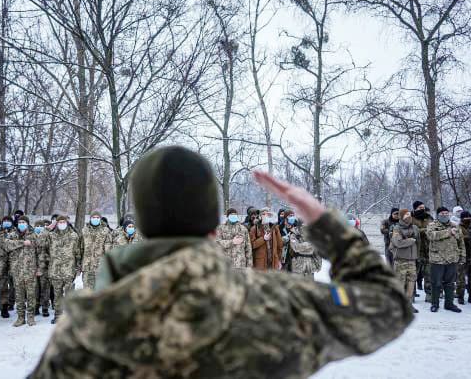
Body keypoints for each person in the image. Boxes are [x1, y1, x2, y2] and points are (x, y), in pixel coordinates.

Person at [29, 146, 413, 378]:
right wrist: (325, 225)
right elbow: (389, 305)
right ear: (213, 221)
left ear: (142, 222)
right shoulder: (279, 304)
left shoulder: (86, 331)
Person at [5, 216, 43, 327]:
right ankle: (20, 317)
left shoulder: (34, 236)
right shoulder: (12, 235)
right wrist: (22, 242)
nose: (21, 224)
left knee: (31, 295)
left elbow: (40, 253)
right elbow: (7, 246)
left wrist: (40, 268)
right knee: (19, 295)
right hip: (17, 270)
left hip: (30, 270)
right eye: (20, 222)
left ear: (27, 223)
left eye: (23, 222)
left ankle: (30, 317)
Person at [426, 207, 464, 313]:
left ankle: (449, 304)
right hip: (437, 259)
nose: (445, 215)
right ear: (438, 215)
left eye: (446, 213)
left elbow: (461, 242)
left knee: (450, 284)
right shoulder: (432, 225)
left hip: (452, 259)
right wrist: (448, 232)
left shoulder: (455, 226)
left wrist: (462, 255)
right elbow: (431, 235)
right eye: (442, 213)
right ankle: (434, 304)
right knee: (436, 283)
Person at [46, 215, 80, 324]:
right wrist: (48, 228)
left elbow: (78, 252)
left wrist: (78, 267)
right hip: (55, 270)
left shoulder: (74, 235)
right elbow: (40, 242)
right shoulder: (51, 235)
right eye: (59, 222)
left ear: (67, 222)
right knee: (57, 296)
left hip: (69, 270)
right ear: (56, 223)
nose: (61, 223)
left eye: (63, 221)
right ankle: (58, 316)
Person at [390, 209, 419, 313]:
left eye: (409, 214)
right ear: (401, 216)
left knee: (411, 284)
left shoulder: (415, 228)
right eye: (406, 214)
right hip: (400, 261)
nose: (409, 216)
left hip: (412, 260)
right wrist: (411, 240)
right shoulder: (396, 228)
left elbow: (418, 242)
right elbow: (398, 242)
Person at [80, 211, 113, 290]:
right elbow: (80, 248)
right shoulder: (84, 230)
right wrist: (79, 264)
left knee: (100, 291)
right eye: (93, 217)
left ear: (100, 219)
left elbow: (108, 249)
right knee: (87, 291)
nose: (95, 219)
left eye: (97, 218)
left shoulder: (105, 231)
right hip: (87, 267)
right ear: (90, 219)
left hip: (100, 267)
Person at [285, 210, 322, 277]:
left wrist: (319, 264)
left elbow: (317, 251)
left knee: (310, 286)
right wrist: (310, 244)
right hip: (297, 265)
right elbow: (296, 247)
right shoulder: (294, 233)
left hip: (310, 265)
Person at [411, 201, 433, 301]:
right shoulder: (410, 218)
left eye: (423, 207)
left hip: (428, 249)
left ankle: (429, 294)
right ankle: (411, 294)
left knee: (428, 274)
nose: (422, 209)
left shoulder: (429, 218)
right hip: (415, 250)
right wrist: (423, 230)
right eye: (420, 207)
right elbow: (410, 231)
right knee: (413, 273)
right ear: (415, 208)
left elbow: (433, 229)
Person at [457, 211, 471, 305]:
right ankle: (460, 296)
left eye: (469, 217)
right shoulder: (458, 227)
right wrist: (467, 237)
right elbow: (457, 238)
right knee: (460, 278)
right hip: (462, 256)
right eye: (465, 217)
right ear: (461, 218)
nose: (467, 219)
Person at [33, 220, 51, 317]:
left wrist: (45, 261)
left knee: (45, 288)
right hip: (33, 267)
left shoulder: (48, 236)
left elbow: (49, 249)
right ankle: (35, 306)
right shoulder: (31, 236)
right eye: (37, 225)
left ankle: (45, 307)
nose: (39, 227)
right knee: (35, 289)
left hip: (45, 267)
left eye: (41, 226)